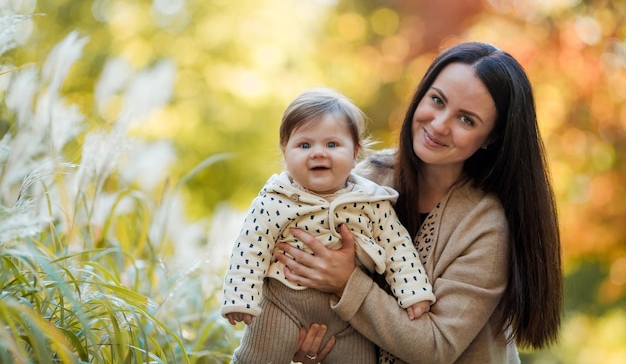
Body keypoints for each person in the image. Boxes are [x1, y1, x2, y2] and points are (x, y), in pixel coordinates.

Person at [277, 42, 563, 364]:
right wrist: (305, 340)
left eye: (466, 120)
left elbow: (435, 348)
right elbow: (310, 281)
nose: (439, 125)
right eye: (437, 100)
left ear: (491, 138)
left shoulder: (487, 226)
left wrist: (347, 283)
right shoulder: (364, 179)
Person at [221, 88, 436, 364]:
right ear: (285, 152)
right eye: (305, 145)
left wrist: (414, 291)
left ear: (355, 153)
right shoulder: (275, 199)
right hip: (282, 304)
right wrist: (241, 298)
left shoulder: (371, 200)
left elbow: (397, 245)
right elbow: (250, 246)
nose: (318, 154)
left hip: (349, 315)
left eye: (332, 145)